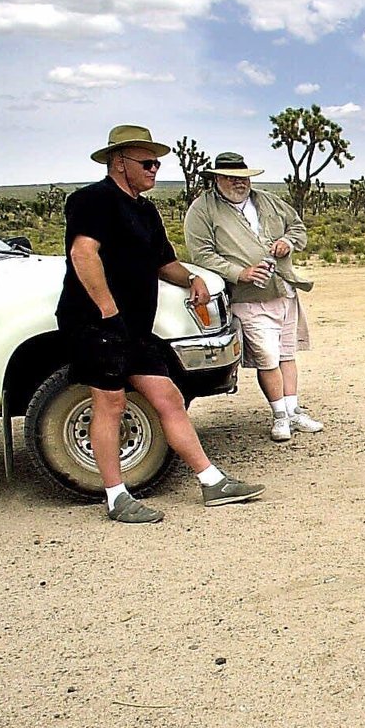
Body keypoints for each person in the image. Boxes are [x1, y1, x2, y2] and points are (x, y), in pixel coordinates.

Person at [56, 124, 265, 523]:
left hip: (133, 326)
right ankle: (117, 497)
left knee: (167, 395)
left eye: (157, 163)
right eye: (147, 162)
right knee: (110, 402)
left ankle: (211, 481)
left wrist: (192, 277)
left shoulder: (145, 209)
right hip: (96, 323)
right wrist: (107, 312)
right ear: (120, 163)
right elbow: (84, 255)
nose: (155, 170)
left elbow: (162, 263)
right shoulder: (92, 200)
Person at [183, 152, 323, 443]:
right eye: (233, 178)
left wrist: (287, 241)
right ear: (217, 178)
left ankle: (293, 409)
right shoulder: (202, 210)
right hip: (248, 297)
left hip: (283, 289)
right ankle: (280, 416)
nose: (240, 183)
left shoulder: (267, 200)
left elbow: (297, 227)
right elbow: (202, 254)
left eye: (244, 177)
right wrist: (240, 272)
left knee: (287, 353)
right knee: (267, 357)